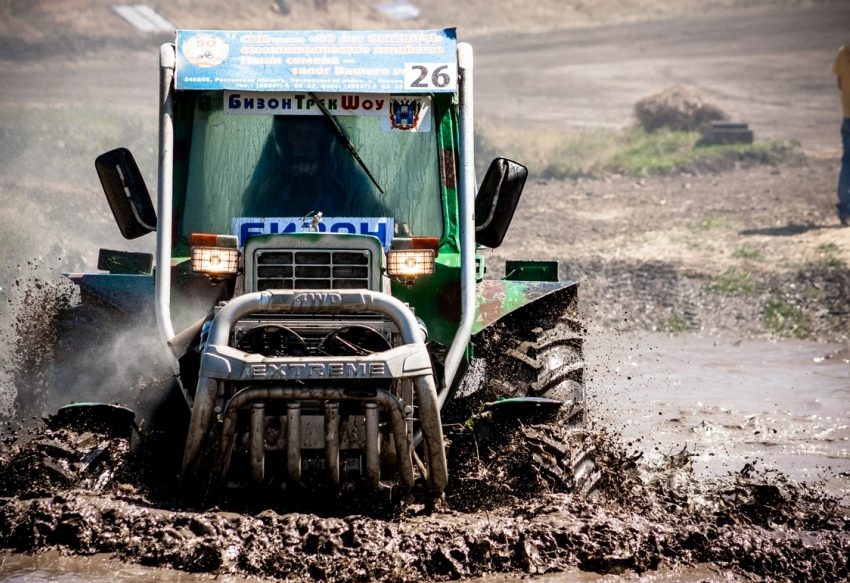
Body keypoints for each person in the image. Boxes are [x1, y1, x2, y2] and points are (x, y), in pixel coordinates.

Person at [833, 45, 850, 226]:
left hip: (848, 117)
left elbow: (839, 83)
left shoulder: (844, 52)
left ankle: (845, 211)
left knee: (847, 165)